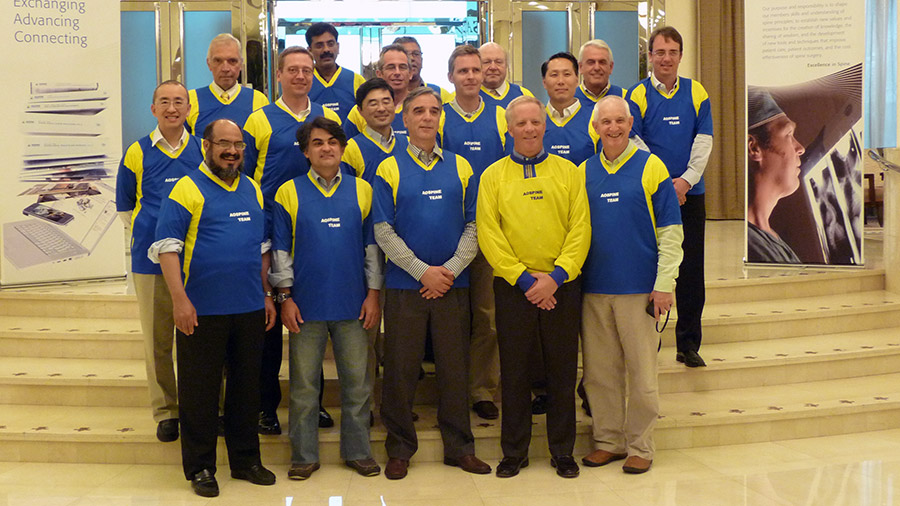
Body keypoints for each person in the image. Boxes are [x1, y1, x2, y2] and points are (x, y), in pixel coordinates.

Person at [151, 118, 277, 498]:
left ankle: (245, 461)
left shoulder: (252, 189)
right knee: (199, 392)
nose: (232, 151)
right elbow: (167, 248)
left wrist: (266, 295)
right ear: (206, 146)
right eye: (224, 144)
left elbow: (261, 249)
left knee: (246, 389)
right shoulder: (187, 188)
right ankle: (201, 467)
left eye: (238, 145)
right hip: (200, 310)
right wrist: (180, 301)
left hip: (249, 307)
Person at [373, 86, 490, 480]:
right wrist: (422, 271)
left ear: (441, 118)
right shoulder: (388, 168)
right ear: (404, 119)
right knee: (400, 370)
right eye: (419, 111)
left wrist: (450, 271)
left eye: (434, 111)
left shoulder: (462, 167)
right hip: (405, 286)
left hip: (453, 286)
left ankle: (460, 447)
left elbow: (475, 225)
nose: (427, 117)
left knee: (455, 370)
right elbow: (383, 230)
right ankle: (399, 448)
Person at [477, 95, 591, 479]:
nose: (529, 129)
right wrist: (526, 280)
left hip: (561, 286)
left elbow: (580, 228)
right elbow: (489, 234)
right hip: (514, 287)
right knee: (514, 372)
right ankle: (514, 452)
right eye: (521, 123)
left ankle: (563, 451)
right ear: (509, 129)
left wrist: (555, 277)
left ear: (545, 126)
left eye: (535, 122)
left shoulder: (569, 172)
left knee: (562, 370)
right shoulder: (492, 176)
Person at [270, 117, 382, 480]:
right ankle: (303, 456)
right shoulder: (288, 192)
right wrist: (285, 297)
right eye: (317, 143)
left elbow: (372, 249)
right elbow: (280, 251)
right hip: (305, 306)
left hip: (354, 304)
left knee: (358, 384)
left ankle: (358, 452)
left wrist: (373, 295)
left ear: (343, 148)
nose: (326, 148)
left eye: (333, 141)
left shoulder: (363, 190)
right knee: (304, 387)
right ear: (305, 151)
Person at [579, 96, 683, 475]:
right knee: (599, 373)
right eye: (606, 122)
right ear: (595, 128)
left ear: (630, 124)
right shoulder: (583, 172)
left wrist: (665, 283)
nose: (613, 128)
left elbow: (671, 231)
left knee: (641, 373)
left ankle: (641, 445)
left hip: (640, 290)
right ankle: (608, 441)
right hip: (593, 289)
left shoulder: (651, 167)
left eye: (620, 121)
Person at [243, 46, 341, 435]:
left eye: (307, 70)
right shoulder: (259, 119)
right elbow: (245, 179)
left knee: (310, 321)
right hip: (269, 231)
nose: (300, 76)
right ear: (279, 74)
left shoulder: (328, 117)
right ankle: (265, 406)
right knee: (267, 325)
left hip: (316, 232)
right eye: (293, 70)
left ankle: (312, 403)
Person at [116, 80, 204, 444]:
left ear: (188, 109)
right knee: (158, 340)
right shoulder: (137, 152)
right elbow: (125, 207)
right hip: (149, 262)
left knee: (201, 338)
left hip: (197, 261)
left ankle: (204, 405)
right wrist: (152, 234)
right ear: (153, 109)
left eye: (179, 101)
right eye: (164, 102)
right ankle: (167, 411)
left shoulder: (202, 148)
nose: (172, 108)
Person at [626, 26, 713, 368]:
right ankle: (650, 339)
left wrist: (686, 182)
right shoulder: (637, 94)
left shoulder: (696, 92)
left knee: (691, 270)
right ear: (650, 56)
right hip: (652, 196)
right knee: (651, 267)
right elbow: (635, 143)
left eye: (672, 52)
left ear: (680, 55)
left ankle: (688, 343)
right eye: (659, 52)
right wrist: (665, 185)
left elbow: (703, 141)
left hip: (691, 194)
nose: (666, 58)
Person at [439, 44, 508, 421]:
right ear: (450, 76)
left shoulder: (501, 116)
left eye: (475, 70)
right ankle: (449, 388)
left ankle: (482, 388)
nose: (470, 76)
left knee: (487, 316)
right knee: (449, 319)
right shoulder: (439, 116)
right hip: (448, 234)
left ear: (484, 75)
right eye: (462, 71)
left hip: (490, 230)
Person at [746, 86, 804, 263]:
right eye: (788, 134)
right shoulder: (750, 244)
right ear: (753, 148)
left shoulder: (768, 238)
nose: (800, 148)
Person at [186, 33, 269, 136]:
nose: (225, 68)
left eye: (232, 61)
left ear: (241, 64)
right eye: (218, 61)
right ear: (209, 64)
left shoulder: (259, 100)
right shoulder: (190, 100)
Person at [341, 78, 407, 184]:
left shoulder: (408, 144)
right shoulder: (350, 150)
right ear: (360, 110)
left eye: (386, 102)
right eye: (373, 104)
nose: (381, 109)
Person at [541, 52, 599, 165]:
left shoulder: (596, 117)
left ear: (577, 80)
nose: (560, 81)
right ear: (544, 82)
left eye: (567, 74)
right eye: (554, 75)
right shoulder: (535, 120)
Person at [343, 44, 412, 139]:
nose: (397, 72)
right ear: (379, 74)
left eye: (402, 67)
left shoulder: (420, 107)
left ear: (410, 73)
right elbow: (347, 145)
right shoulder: (359, 112)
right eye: (391, 67)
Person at [306, 22, 365, 122]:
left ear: (338, 47)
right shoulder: (304, 81)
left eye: (330, 44)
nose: (326, 50)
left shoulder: (356, 80)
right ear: (310, 51)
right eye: (319, 46)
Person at [393, 35, 453, 102]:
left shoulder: (440, 93)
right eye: (406, 54)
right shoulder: (386, 97)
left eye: (416, 54)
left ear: (422, 60)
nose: (412, 58)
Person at [479, 42, 534, 108]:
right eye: (486, 62)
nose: (493, 67)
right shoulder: (470, 97)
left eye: (498, 62)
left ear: (506, 65)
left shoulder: (524, 96)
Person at [575, 39, 626, 107]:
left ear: (611, 67)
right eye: (591, 62)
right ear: (580, 67)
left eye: (602, 62)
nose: (597, 68)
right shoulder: (570, 100)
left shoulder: (626, 97)